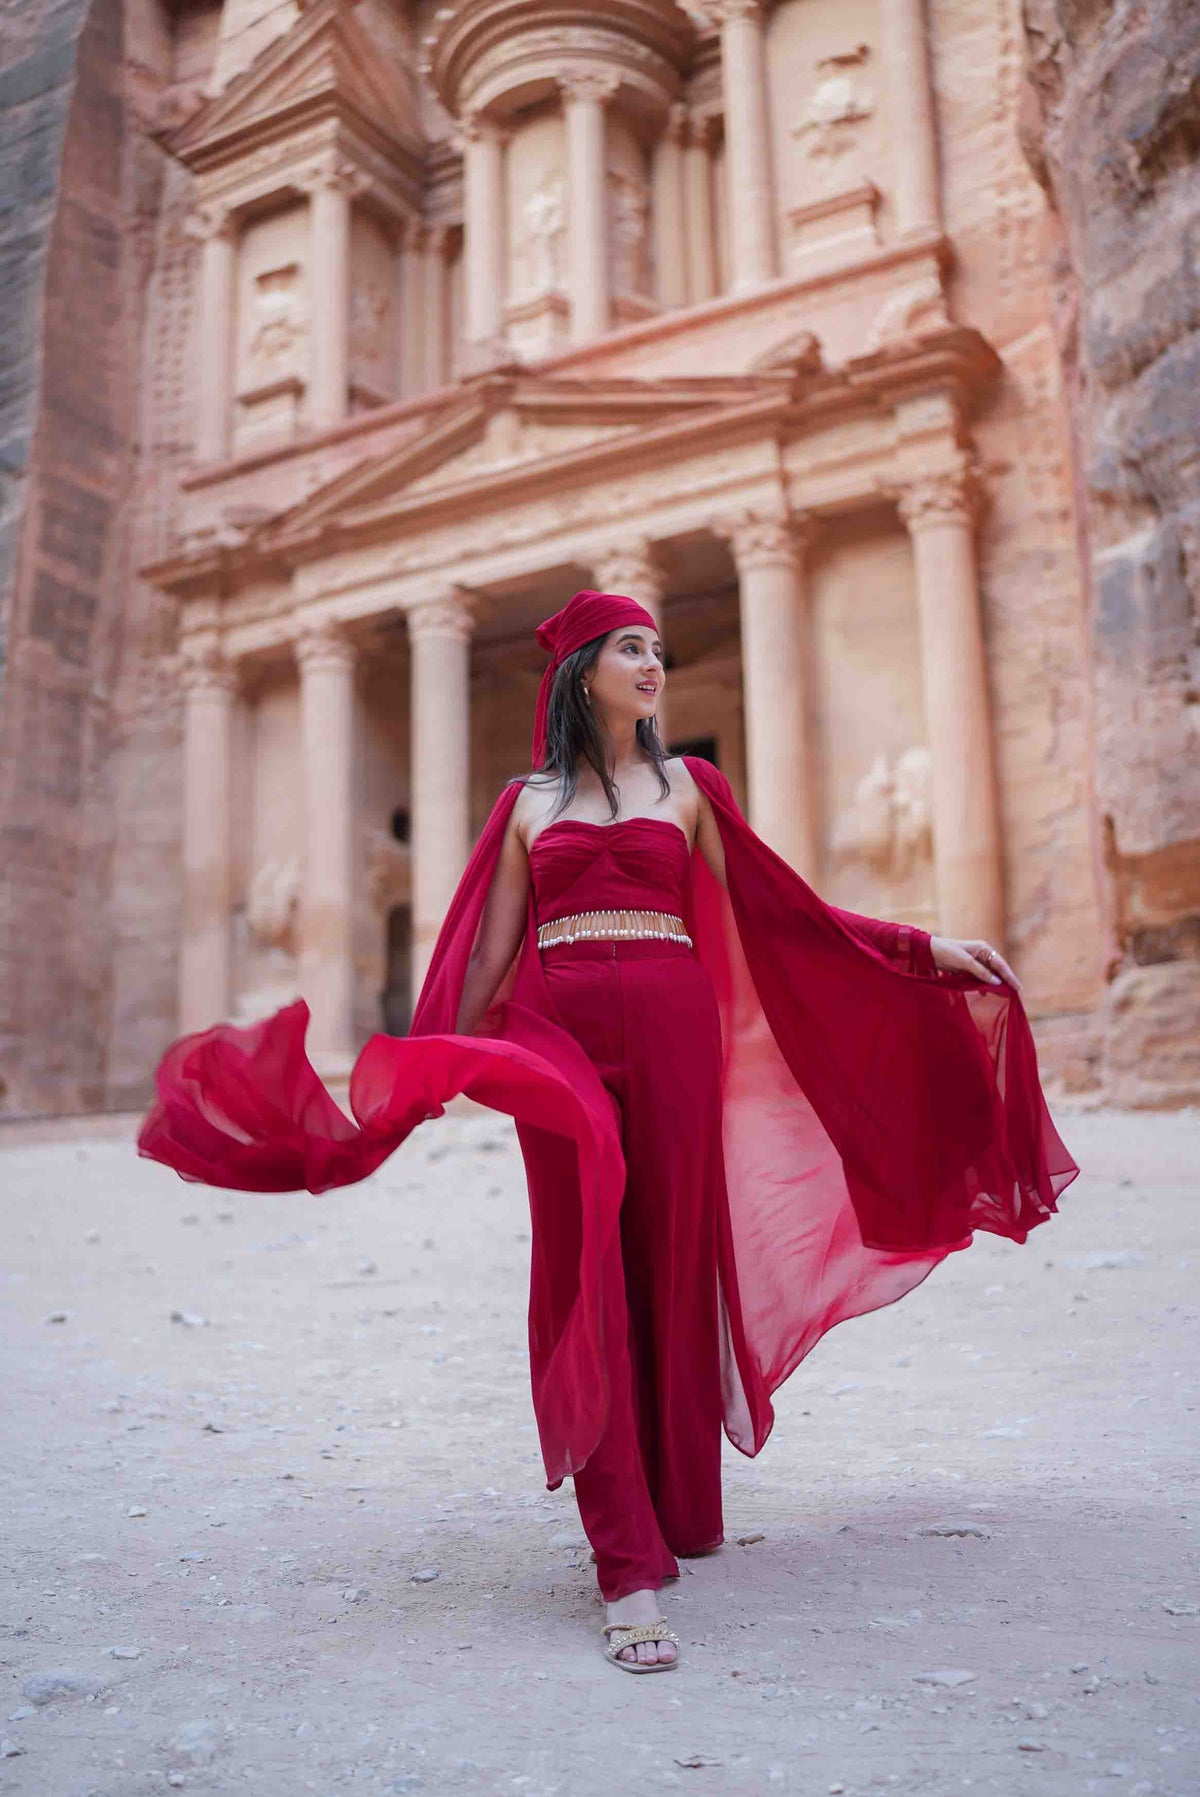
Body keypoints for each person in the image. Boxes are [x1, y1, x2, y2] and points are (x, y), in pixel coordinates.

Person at [139, 588, 1078, 1675]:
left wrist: (921, 950)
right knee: (587, 1268)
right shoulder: (527, 804)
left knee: (672, 1262)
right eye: (630, 647)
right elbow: (490, 952)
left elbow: (784, 912)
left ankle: (678, 1506)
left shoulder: (691, 790)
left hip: (677, 1035)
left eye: (658, 649)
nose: (651, 664)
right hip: (561, 1048)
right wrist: (429, 1071)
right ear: (583, 670)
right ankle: (625, 1565)